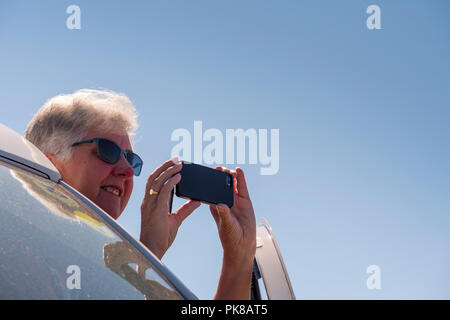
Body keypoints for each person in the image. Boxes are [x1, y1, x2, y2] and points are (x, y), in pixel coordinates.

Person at [24, 89, 256, 300]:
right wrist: (147, 253)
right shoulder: (19, 250)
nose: (126, 171)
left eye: (132, 160)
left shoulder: (99, 263)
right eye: (108, 151)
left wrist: (240, 256)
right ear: (49, 162)